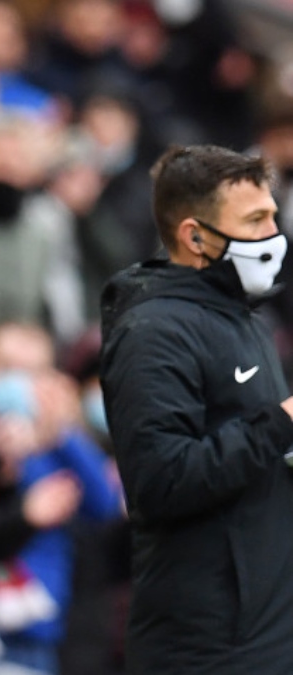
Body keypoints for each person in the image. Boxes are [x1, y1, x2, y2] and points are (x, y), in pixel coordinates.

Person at [100, 144, 293, 674]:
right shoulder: (155, 331)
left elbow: (259, 458)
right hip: (208, 649)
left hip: (268, 635)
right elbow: (162, 480)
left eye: (273, 216)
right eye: (255, 221)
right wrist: (282, 422)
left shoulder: (249, 322)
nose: (274, 235)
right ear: (194, 236)